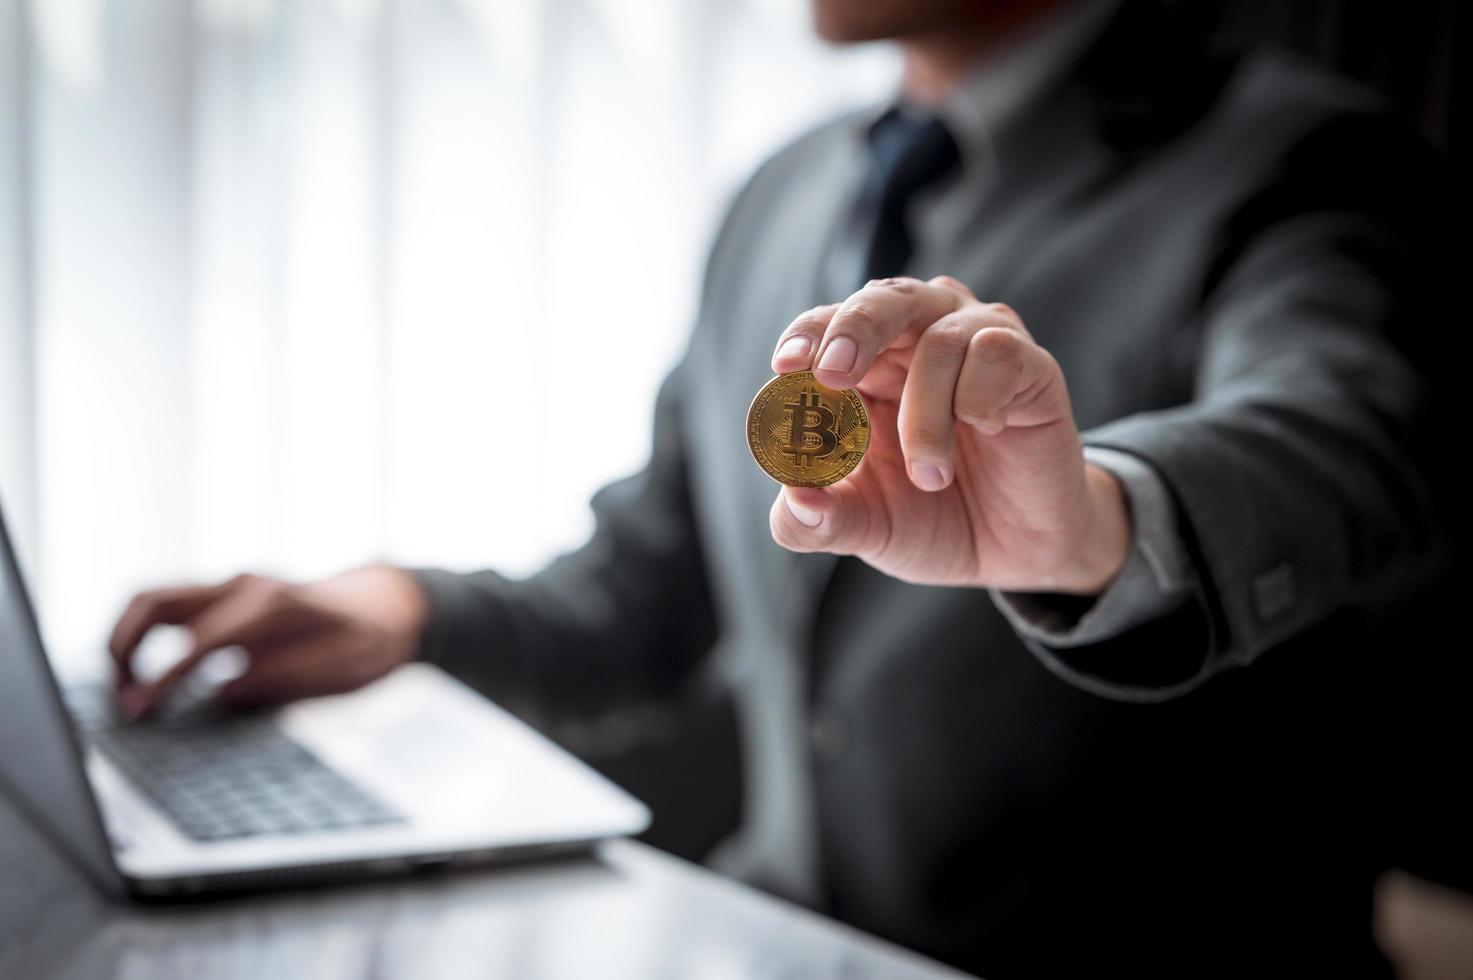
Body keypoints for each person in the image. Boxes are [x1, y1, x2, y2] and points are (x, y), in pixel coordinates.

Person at [108, 0, 1455, 975]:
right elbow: (642, 595)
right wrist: (400, 611)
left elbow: (1351, 437)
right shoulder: (786, 189)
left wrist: (1099, 523)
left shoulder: (1305, 159)